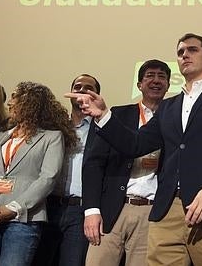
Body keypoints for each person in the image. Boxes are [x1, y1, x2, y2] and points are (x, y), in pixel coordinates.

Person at [67, 33, 202, 266]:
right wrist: (104, 116)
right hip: (167, 211)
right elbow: (135, 144)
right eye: (180, 52)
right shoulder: (168, 106)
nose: (184, 54)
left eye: (192, 50)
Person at [0, 81, 78, 266]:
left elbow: (47, 179)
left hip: (22, 219)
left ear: (31, 103)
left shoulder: (52, 137)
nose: (9, 103)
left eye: (14, 98)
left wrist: (12, 209)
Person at [82, 60, 170, 266]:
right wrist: (92, 210)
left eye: (162, 77)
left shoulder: (174, 119)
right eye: (150, 76)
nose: (156, 80)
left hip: (151, 213)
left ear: (168, 85)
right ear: (139, 85)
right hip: (112, 209)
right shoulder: (116, 115)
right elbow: (94, 164)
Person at [33, 74, 101, 266]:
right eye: (78, 86)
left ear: (96, 96)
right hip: (46, 207)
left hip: (80, 211)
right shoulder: (51, 127)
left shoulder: (102, 129)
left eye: (89, 88)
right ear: (70, 93)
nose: (82, 90)